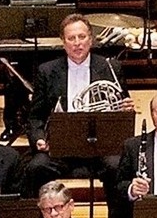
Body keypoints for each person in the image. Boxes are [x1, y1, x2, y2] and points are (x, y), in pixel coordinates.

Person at [20, 16, 125, 172]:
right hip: (60, 146)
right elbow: (35, 117)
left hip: (100, 146)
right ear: (63, 42)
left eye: (82, 37)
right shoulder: (47, 71)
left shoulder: (110, 67)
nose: (77, 43)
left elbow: (121, 109)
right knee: (36, 167)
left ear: (91, 39)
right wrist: (39, 139)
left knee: (117, 166)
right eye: (71, 38)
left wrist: (126, 109)